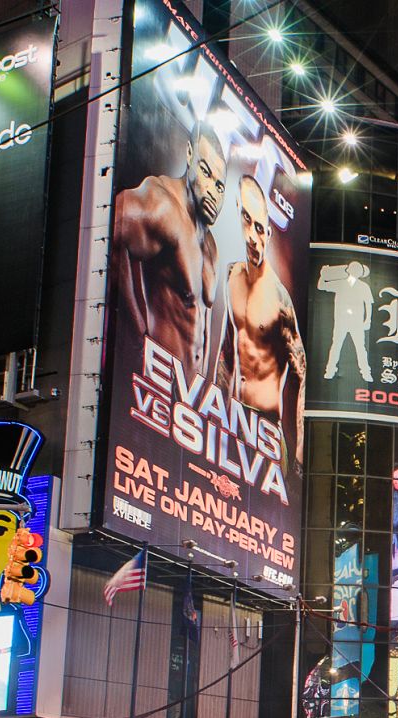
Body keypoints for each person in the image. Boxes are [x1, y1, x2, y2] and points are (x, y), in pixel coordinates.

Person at [113, 123, 229, 372]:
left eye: (220, 187)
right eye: (205, 172)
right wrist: (138, 333)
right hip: (159, 381)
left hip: (193, 397)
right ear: (189, 155)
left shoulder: (211, 245)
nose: (212, 192)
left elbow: (203, 321)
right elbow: (113, 230)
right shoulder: (162, 204)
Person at [213, 174, 308, 467]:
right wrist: (214, 405)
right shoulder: (230, 275)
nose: (253, 238)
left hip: (265, 427)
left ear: (267, 231)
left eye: (259, 228)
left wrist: (300, 451)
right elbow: (228, 351)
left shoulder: (280, 300)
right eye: (246, 220)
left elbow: (302, 375)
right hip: (230, 417)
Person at [317, 260, 373, 383]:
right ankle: (330, 371)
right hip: (341, 322)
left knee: (360, 348)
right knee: (336, 346)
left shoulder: (363, 287)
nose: (354, 272)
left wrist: (367, 320)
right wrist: (322, 274)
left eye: (357, 270)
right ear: (348, 270)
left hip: (356, 323)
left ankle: (366, 373)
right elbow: (321, 286)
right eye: (353, 269)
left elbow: (369, 304)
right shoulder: (340, 284)